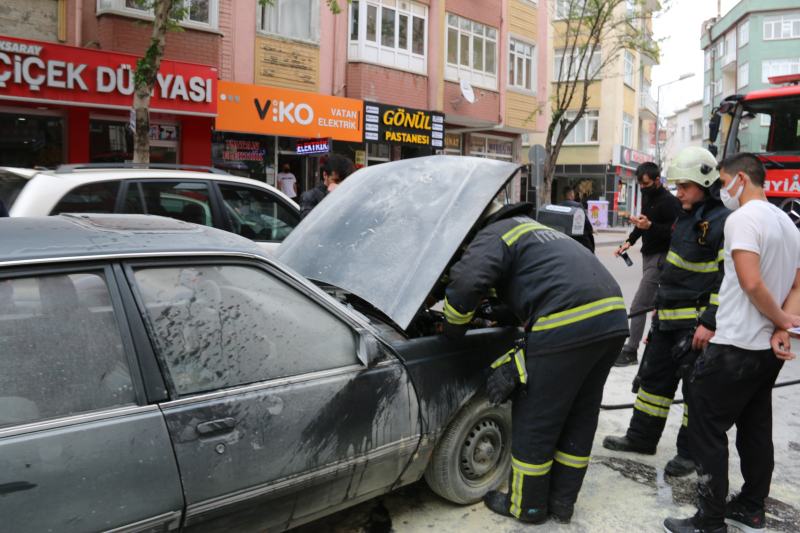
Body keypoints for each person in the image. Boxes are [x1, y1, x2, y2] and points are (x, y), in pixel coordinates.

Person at [440, 200, 629, 525]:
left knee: (536, 418)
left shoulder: (495, 234)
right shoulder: (538, 233)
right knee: (578, 417)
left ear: (475, 226)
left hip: (569, 323)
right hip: (611, 321)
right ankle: (561, 503)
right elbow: (540, 287)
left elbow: (466, 284)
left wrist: (452, 329)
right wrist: (499, 313)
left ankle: (526, 507)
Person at [664, 153, 800, 533]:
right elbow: (796, 286)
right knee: (756, 427)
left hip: (735, 345)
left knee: (705, 428)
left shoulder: (742, 219)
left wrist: (781, 321)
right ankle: (752, 508)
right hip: (764, 352)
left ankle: (709, 521)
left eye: (723, 182)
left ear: (741, 178)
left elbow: (751, 283)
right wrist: (781, 329)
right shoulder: (788, 224)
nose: (722, 190)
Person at [603, 147, 730, 477]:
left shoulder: (721, 222)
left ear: (705, 182)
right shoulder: (687, 216)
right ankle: (641, 437)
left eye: (685, 186)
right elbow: (673, 269)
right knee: (653, 383)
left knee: (695, 393)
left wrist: (710, 322)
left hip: (696, 327)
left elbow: (725, 279)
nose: (679, 192)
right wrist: (658, 309)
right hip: (667, 320)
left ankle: (690, 454)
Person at [615, 162, 683, 366]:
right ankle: (660, 348)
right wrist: (628, 242)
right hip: (649, 257)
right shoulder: (650, 198)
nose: (642, 188)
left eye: (645, 184)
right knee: (656, 305)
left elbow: (675, 231)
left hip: (661, 259)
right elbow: (642, 224)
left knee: (639, 305)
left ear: (657, 180)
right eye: (640, 184)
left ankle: (630, 351)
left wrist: (650, 225)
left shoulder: (669, 201)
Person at [298, 154, 353, 220]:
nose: (339, 184)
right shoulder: (310, 196)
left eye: (343, 181)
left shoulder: (346, 195)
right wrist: (329, 197)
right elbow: (307, 222)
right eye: (336, 180)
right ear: (325, 175)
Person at [560, 186, 595, 253]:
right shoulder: (578, 205)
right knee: (590, 251)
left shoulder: (558, 206)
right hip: (578, 236)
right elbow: (585, 220)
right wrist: (590, 229)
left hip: (563, 235)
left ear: (562, 196)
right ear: (572, 195)